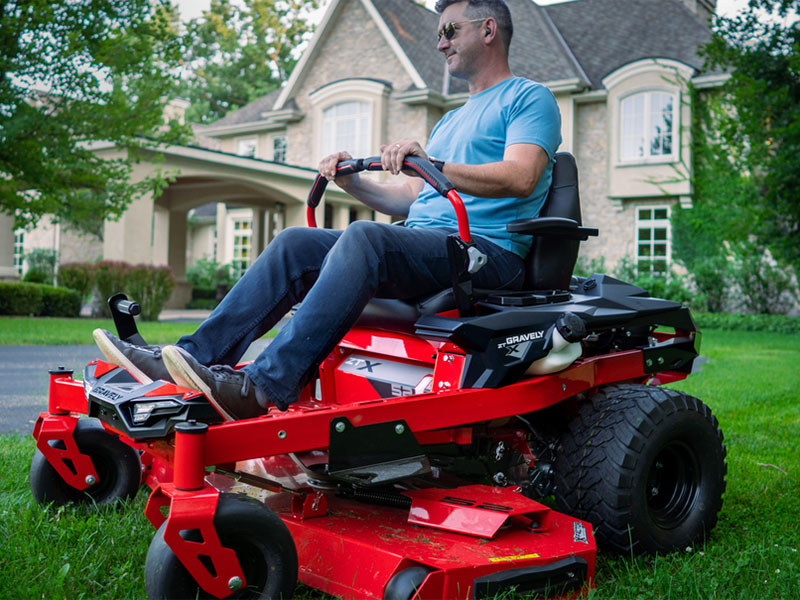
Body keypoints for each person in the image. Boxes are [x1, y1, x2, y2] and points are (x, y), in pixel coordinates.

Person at [93, 0, 562, 421]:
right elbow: (415, 201)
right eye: (439, 33)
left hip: (488, 253)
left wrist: (433, 164)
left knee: (366, 237)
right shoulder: (450, 119)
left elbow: (520, 176)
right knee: (296, 242)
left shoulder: (528, 97)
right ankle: (193, 357)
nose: (440, 43)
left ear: (487, 29)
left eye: (449, 31)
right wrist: (353, 184)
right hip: (436, 246)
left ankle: (261, 386)